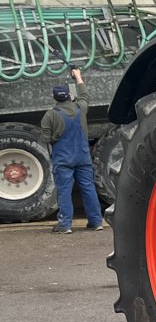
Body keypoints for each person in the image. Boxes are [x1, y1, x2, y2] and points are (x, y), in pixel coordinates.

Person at [40, 67, 105, 234]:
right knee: (88, 188)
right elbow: (85, 96)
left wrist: (55, 136)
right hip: (83, 157)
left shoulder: (50, 115)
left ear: (54, 98)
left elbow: (45, 139)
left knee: (64, 191)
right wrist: (78, 77)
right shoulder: (80, 108)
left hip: (63, 159)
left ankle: (65, 225)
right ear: (69, 95)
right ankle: (96, 222)